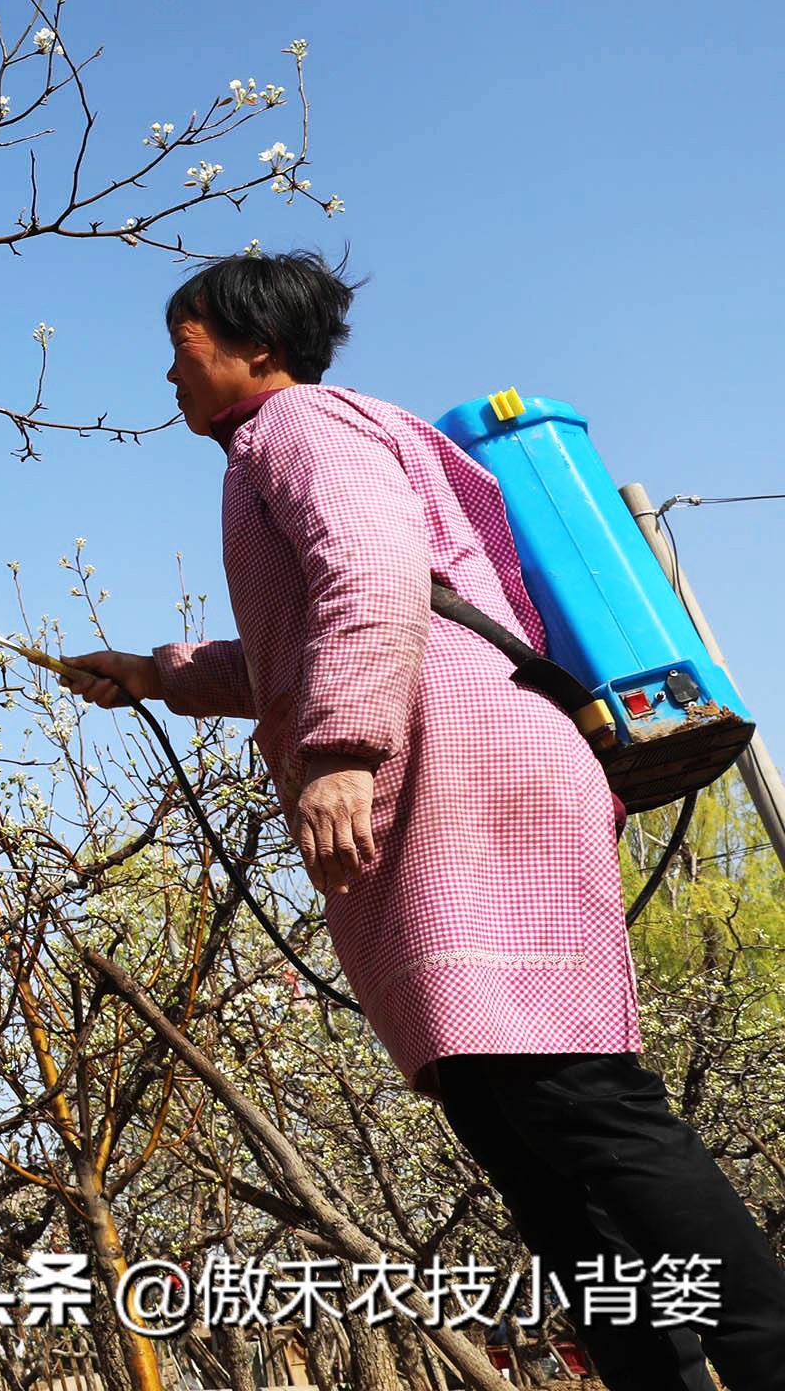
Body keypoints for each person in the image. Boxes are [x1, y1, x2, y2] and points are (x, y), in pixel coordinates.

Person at [56, 250, 785, 1391]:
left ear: (257, 348)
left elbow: (371, 575)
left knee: (572, 1099)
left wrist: (343, 752)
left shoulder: (297, 428)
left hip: (463, 775)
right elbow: (304, 639)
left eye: (183, 346)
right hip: (460, 768)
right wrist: (152, 672)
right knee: (522, 1129)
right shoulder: (291, 443)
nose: (170, 370)